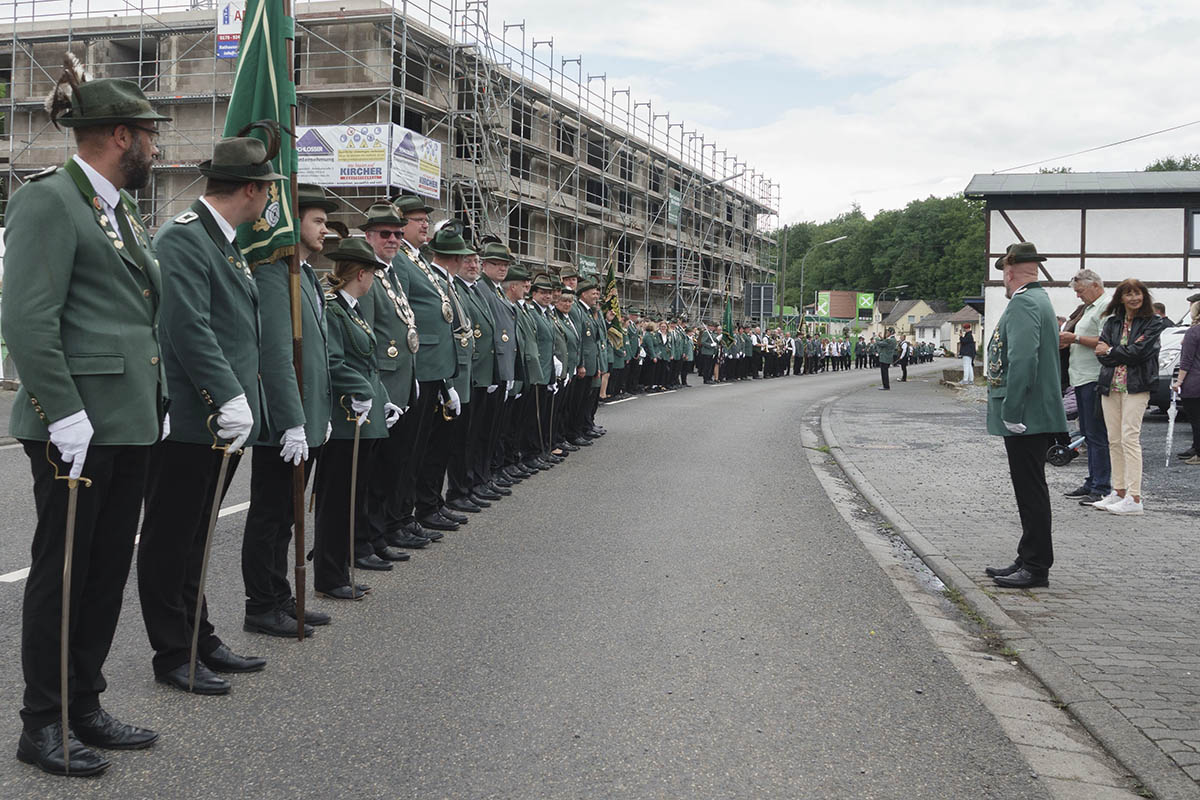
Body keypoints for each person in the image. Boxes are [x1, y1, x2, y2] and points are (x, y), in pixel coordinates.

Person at [3, 66, 169, 776]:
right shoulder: (49, 202)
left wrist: (149, 401)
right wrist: (62, 414)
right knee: (63, 575)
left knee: (104, 573)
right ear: (121, 136)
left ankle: (85, 703)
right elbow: (27, 319)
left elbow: (130, 316)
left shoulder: (115, 209)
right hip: (78, 427)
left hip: (126, 421)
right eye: (152, 138)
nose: (157, 151)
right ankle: (42, 722)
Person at [137, 131, 281, 696]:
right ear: (250, 189)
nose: (271, 201)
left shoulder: (225, 244)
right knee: (172, 537)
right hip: (196, 418)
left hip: (221, 420)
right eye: (268, 190)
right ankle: (173, 650)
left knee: (197, 534)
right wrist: (227, 394)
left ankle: (200, 635)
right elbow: (187, 326)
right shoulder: (185, 238)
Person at [241, 184, 336, 639]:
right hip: (284, 423)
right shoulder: (275, 273)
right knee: (270, 516)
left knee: (289, 517)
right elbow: (276, 352)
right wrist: (290, 420)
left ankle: (281, 597)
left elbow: (317, 353)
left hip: (309, 415)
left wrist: (320, 410)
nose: (326, 229)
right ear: (291, 221)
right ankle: (261, 603)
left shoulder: (308, 275)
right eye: (318, 220)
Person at [311, 238, 397, 600]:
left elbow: (369, 363)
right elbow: (333, 362)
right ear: (361, 274)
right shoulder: (333, 310)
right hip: (346, 417)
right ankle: (329, 575)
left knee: (353, 496)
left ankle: (341, 567)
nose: (374, 280)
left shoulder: (353, 309)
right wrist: (362, 390)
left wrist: (384, 399)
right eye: (373, 274)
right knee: (337, 500)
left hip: (365, 413)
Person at [984, 243, 1069, 589]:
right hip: (1036, 411)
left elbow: (1022, 360)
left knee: (1030, 490)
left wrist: (1012, 409)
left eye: (1003, 274)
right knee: (1031, 487)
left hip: (1027, 413)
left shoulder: (1022, 303)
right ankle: (1028, 555)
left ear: (1009, 272)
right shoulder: (1040, 299)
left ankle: (1035, 566)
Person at [1093, 278, 1166, 515]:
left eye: (1138, 294)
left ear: (1144, 296)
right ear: (1121, 298)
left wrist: (1113, 350)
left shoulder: (1153, 322)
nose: (1135, 298)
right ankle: (1119, 491)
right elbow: (1100, 354)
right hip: (1111, 385)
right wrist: (1118, 353)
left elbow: (1139, 353)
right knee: (1114, 439)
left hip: (1137, 386)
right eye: (1129, 294)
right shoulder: (1112, 322)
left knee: (1129, 439)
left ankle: (1135, 498)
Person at [1057, 269, 1112, 506]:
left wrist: (1075, 339)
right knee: (1088, 433)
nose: (1078, 296)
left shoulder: (1106, 307)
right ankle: (1092, 481)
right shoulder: (1089, 308)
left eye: (1080, 291)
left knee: (1097, 434)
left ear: (1095, 286)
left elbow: (1105, 342)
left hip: (1094, 377)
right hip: (1080, 377)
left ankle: (1101, 486)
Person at [1173, 300, 1200, 464]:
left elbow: (1186, 361)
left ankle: (1198, 452)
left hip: (1194, 382)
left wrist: (1179, 381)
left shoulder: (1193, 332)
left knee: (1196, 420)